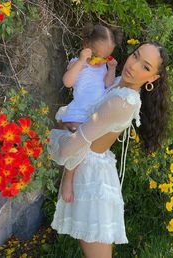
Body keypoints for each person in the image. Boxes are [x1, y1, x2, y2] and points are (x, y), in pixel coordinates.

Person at [48, 42, 170, 258]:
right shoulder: (117, 85)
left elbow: (69, 149)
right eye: (135, 56)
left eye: (146, 67)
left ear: (152, 79)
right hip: (84, 166)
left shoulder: (123, 102)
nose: (133, 66)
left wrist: (55, 130)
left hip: (91, 177)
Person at [56, 23, 122, 203]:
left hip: (93, 115)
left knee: (86, 148)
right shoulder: (79, 65)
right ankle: (68, 179)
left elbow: (108, 85)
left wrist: (112, 69)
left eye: (105, 57)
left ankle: (73, 177)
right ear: (86, 46)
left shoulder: (103, 67)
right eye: (96, 55)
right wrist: (80, 61)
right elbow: (68, 82)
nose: (100, 60)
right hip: (78, 113)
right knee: (80, 141)